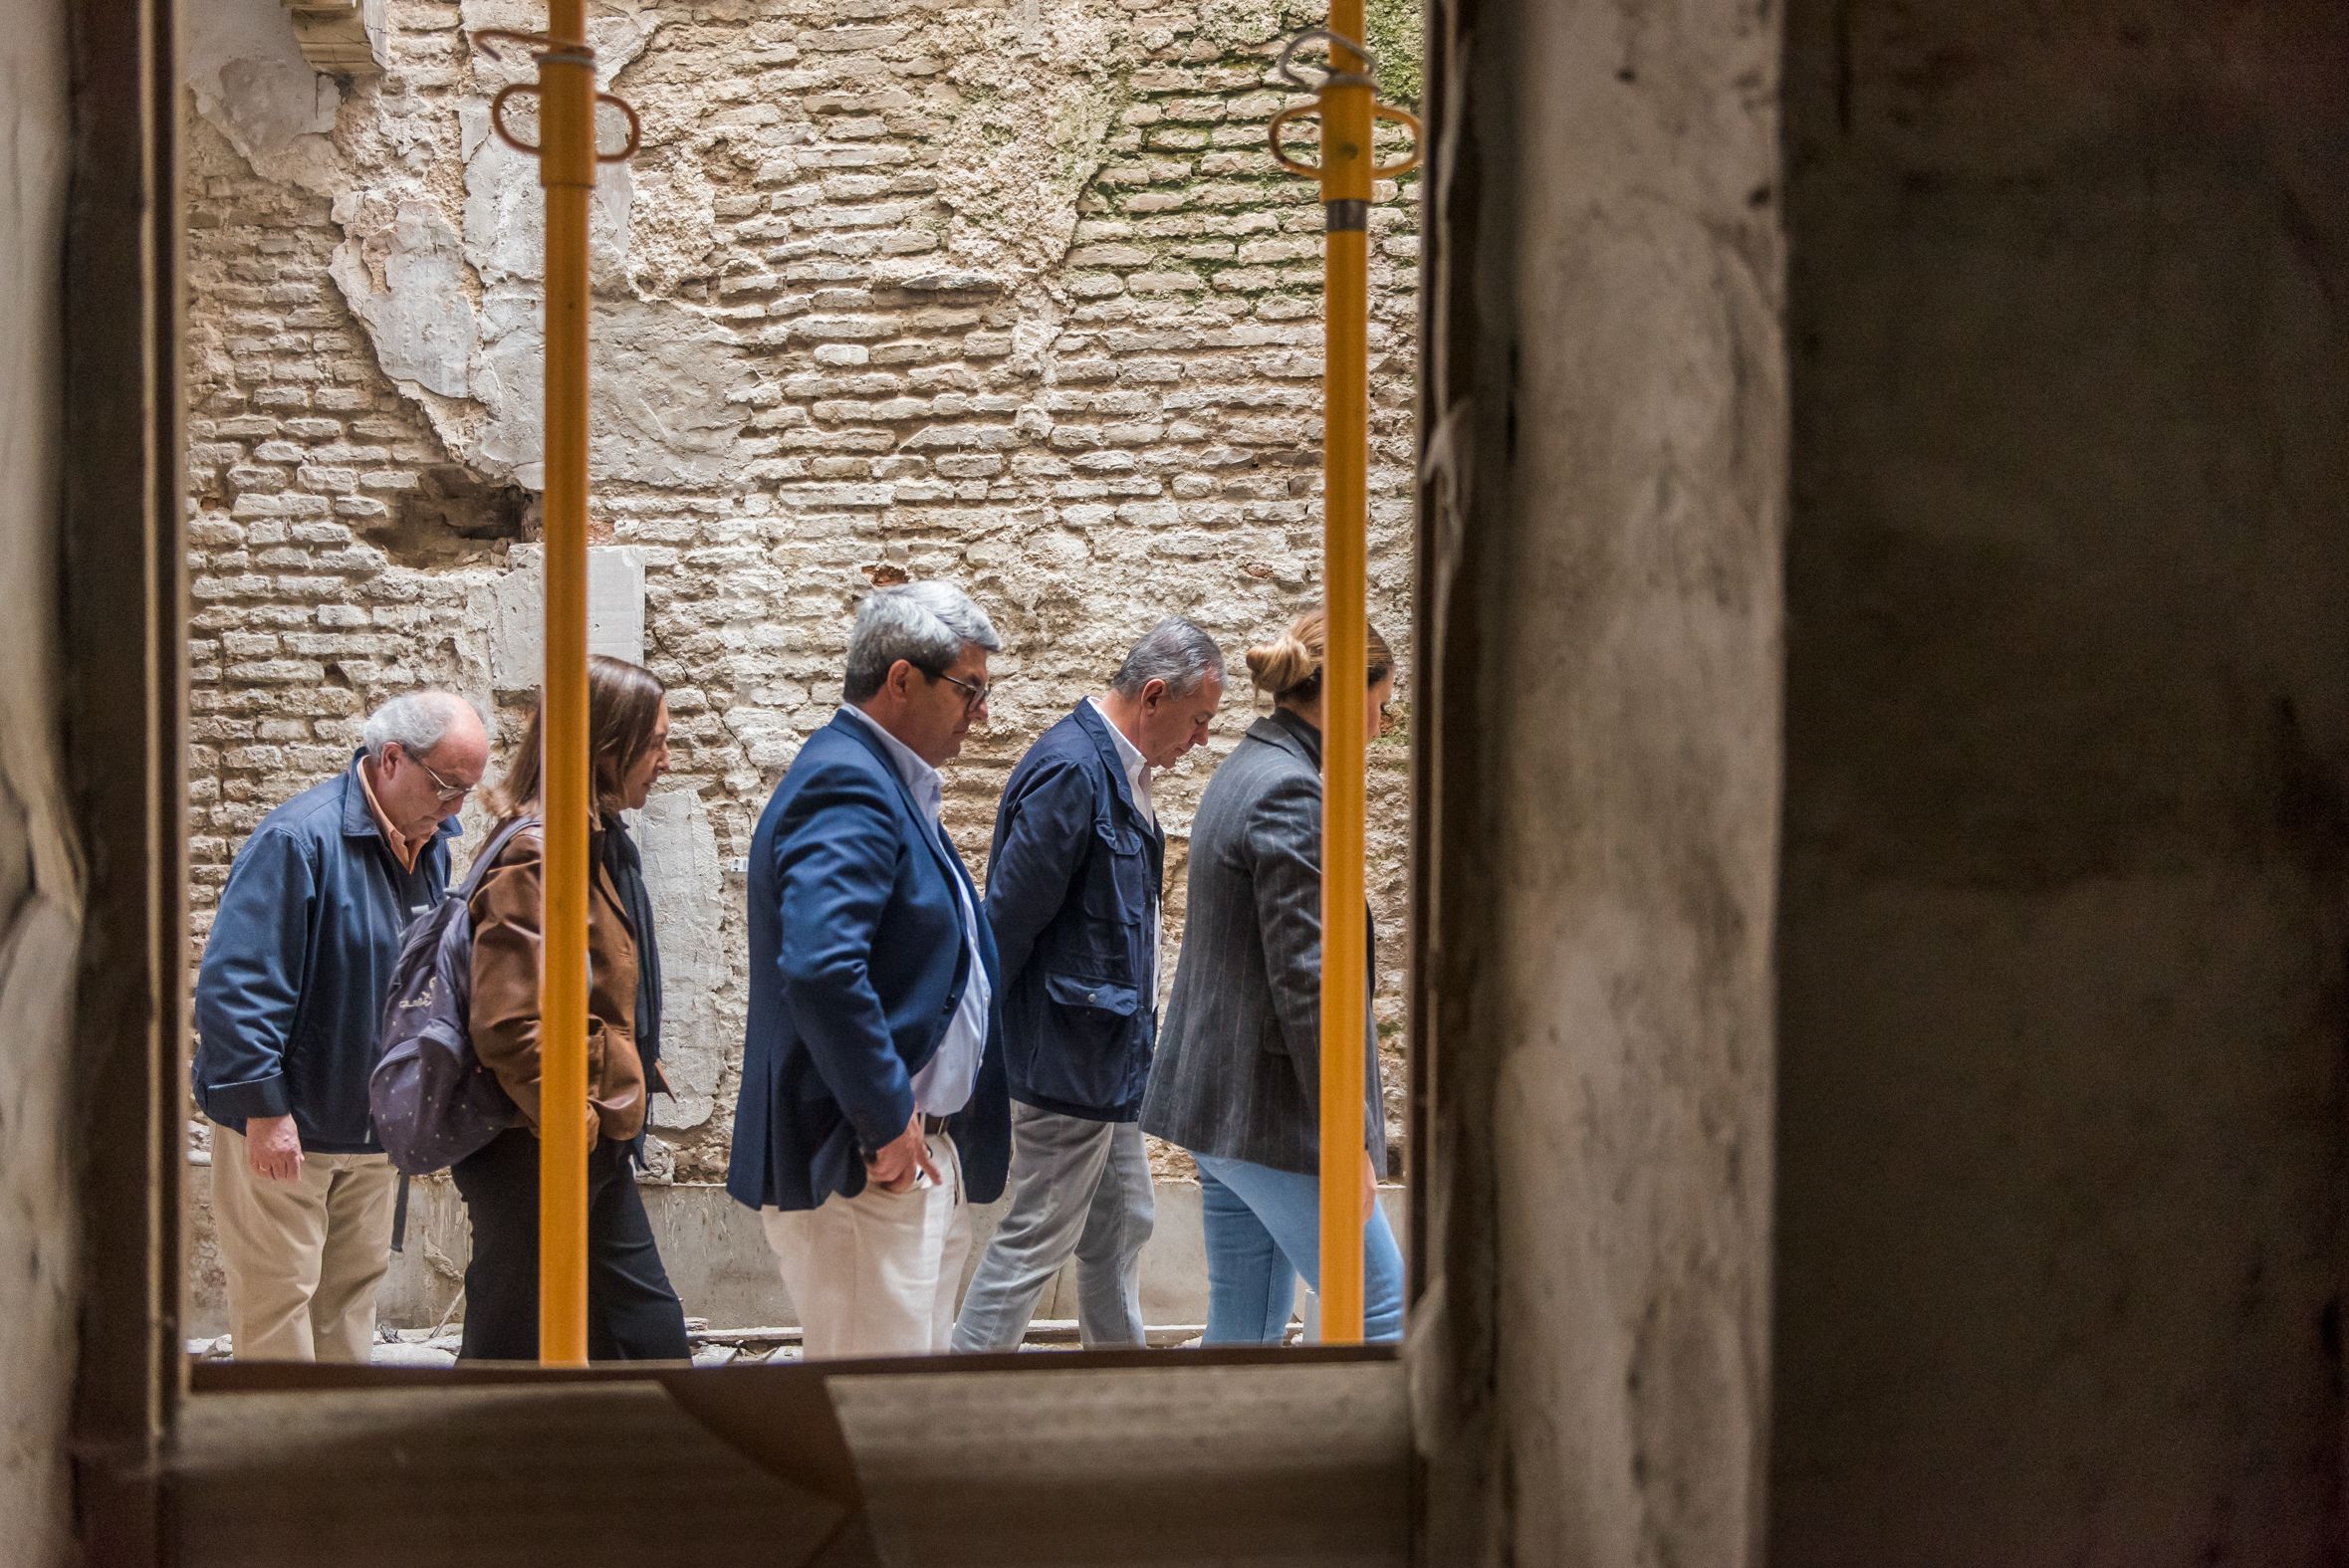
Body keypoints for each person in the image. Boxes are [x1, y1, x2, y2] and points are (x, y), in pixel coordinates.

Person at [726, 581, 1013, 1359]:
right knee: (871, 1419)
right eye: (968, 690)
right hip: (864, 1162)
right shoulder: (846, 779)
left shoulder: (889, 780)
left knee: (910, 1419)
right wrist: (886, 1120)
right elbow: (821, 966)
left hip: (911, 1157)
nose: (980, 714)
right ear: (900, 680)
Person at [953, 618, 1227, 1352]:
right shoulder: (1073, 771)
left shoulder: (1117, 771)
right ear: (1154, 693)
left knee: (1122, 1219)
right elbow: (1004, 925)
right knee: (1035, 1239)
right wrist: (977, 1054)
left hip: (1108, 1061)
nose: (1200, 740)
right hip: (1065, 1064)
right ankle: (955, 1401)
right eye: (1198, 720)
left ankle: (1121, 1384)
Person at [193, 690, 490, 1361]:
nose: (457, 809)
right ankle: (282, 1461)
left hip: (375, 1127)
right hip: (287, 1124)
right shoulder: (297, 840)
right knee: (278, 1304)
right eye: (447, 786)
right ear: (391, 759)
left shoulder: (432, 844)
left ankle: (337, 1455)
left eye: (468, 790)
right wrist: (264, 1108)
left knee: (349, 1303)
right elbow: (237, 985)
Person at [1139, 610, 1405, 1344]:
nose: (1380, 729)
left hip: (1222, 1109)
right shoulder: (1290, 790)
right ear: (1348, 695)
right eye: (1379, 708)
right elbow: (1308, 979)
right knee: (1381, 1315)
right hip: (1273, 1119)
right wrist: (1344, 1134)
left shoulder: (1246, 768)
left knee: (1245, 1325)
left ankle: (1209, 1460)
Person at [452, 655, 690, 1362]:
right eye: (656, 743)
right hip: (541, 1144)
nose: (665, 761)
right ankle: (460, 1469)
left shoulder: (597, 843)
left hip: (581, 1136)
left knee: (625, 1340)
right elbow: (508, 1023)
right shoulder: (539, 854)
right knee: (514, 1345)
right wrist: (579, 1115)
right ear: (607, 747)